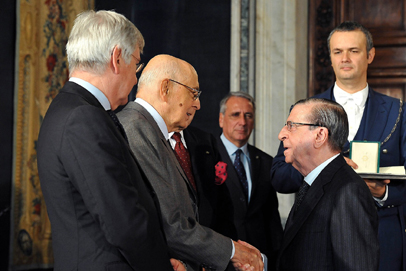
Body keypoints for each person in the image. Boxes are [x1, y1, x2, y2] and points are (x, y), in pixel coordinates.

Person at [37, 10, 179, 271]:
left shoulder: (69, 108)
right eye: (136, 65)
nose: (136, 78)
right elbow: (123, 223)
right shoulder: (83, 118)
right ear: (116, 58)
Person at [271, 21, 406, 271]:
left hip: (385, 238)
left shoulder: (400, 111)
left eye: (353, 51)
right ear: (330, 58)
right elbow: (280, 177)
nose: (345, 58)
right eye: (337, 51)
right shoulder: (304, 110)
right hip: (318, 239)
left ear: (370, 55)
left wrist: (384, 194)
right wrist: (327, 168)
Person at [117, 54, 264, 271]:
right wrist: (234, 251)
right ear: (165, 88)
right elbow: (170, 224)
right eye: (193, 93)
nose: (198, 104)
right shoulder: (136, 129)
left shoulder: (155, 131)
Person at [276, 98, 379, 270]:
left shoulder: (347, 191)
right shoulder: (312, 182)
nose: (282, 134)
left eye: (291, 126)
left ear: (320, 135)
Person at [215, 92, 283, 270]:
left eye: (248, 116)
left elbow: (272, 221)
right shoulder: (206, 156)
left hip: (258, 263)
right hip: (221, 261)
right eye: (235, 115)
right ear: (221, 119)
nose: (243, 122)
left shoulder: (267, 161)